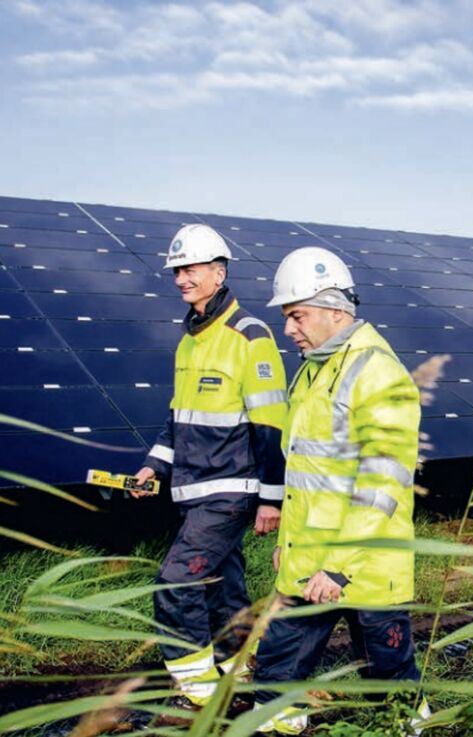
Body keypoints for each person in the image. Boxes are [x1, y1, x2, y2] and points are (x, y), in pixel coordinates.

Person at [252, 246, 425, 734]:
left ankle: (408, 727)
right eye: (288, 318)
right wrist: (289, 543)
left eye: (297, 316)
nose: (289, 330)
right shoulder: (312, 369)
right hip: (310, 559)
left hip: (363, 565)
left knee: (388, 678)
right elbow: (303, 472)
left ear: (335, 309)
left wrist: (341, 564)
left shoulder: (377, 371)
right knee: (275, 675)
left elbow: (382, 478)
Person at [133, 223, 288, 710]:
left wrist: (271, 497)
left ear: (218, 273)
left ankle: (197, 689)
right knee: (222, 584)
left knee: (176, 583)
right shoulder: (189, 340)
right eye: (177, 270)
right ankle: (241, 667)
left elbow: (271, 425)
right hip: (192, 488)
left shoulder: (250, 336)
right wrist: (152, 468)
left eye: (192, 269)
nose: (182, 278)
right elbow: (178, 418)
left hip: (231, 491)